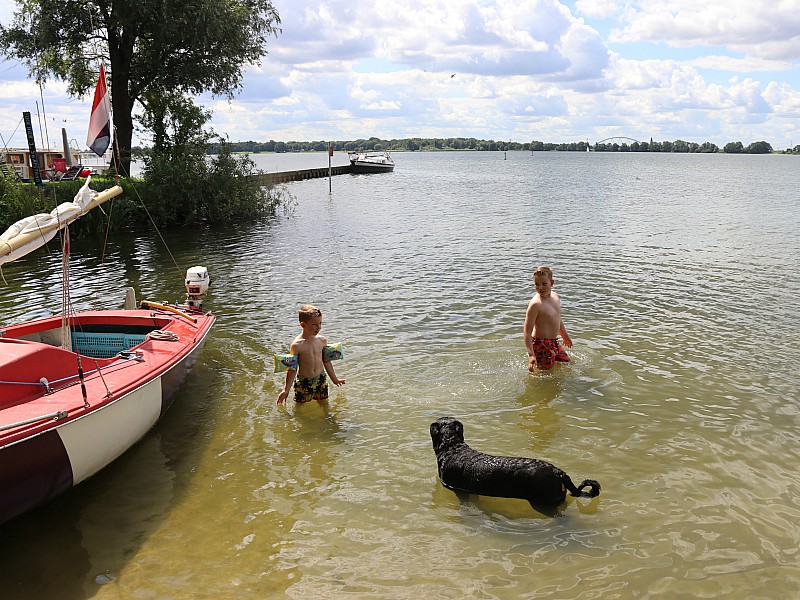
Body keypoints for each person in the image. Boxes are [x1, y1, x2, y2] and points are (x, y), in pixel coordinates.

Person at [277, 304, 346, 404]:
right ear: (303, 325)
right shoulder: (297, 345)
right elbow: (292, 369)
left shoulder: (322, 340)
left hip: (321, 379)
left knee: (324, 404)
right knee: (300, 407)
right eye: (314, 324)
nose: (318, 327)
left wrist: (335, 379)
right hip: (304, 382)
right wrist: (286, 390)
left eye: (320, 323)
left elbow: (327, 362)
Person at [523, 266, 573, 371]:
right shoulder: (536, 304)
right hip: (540, 344)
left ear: (552, 282)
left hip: (554, 342)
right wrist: (531, 355)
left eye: (544, 284)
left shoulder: (555, 297)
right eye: (536, 284)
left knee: (568, 364)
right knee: (546, 374)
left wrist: (565, 337)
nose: (540, 288)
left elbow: (557, 319)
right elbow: (527, 332)